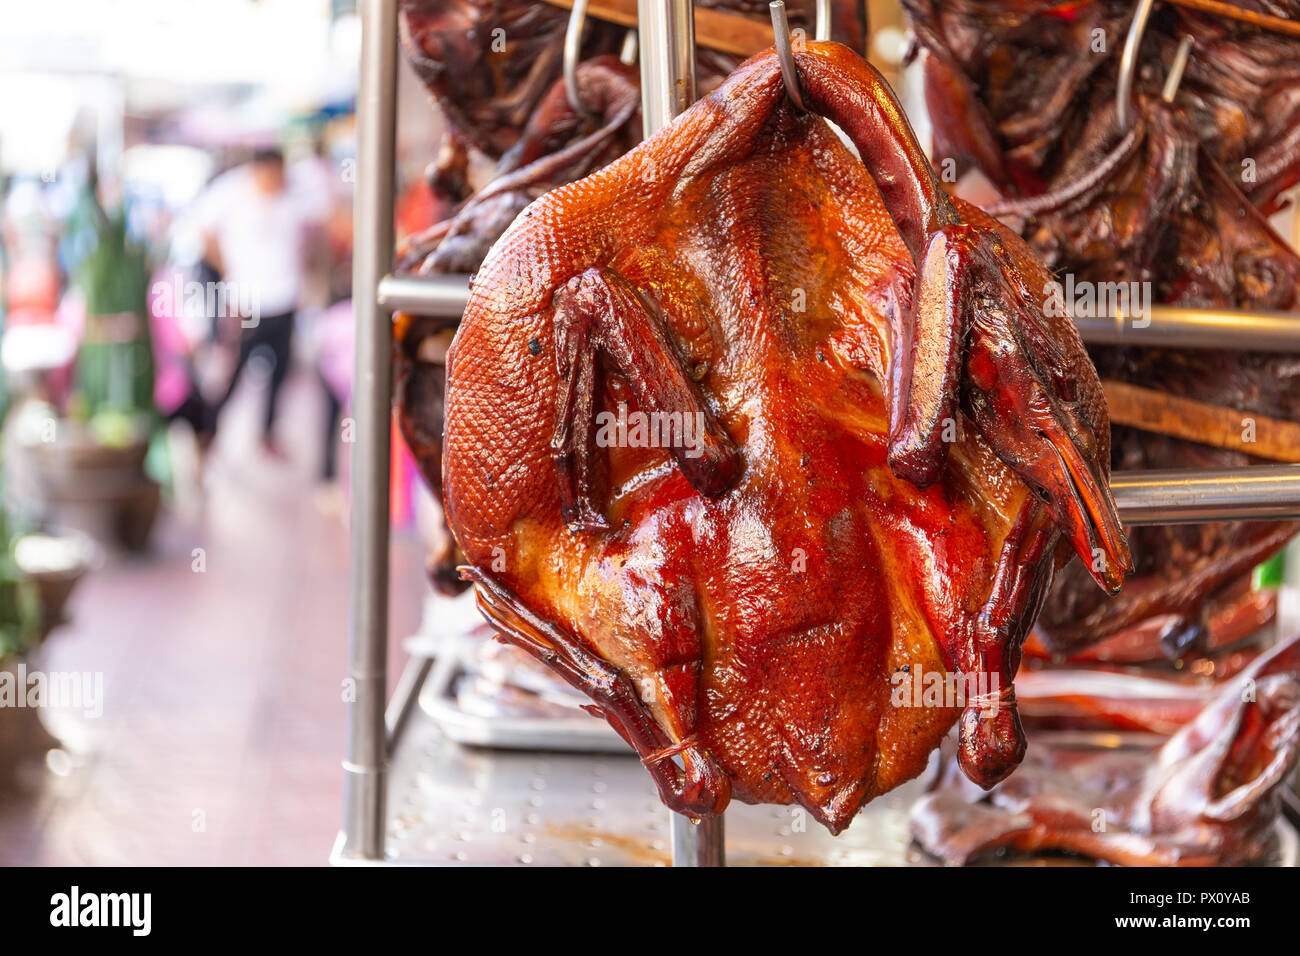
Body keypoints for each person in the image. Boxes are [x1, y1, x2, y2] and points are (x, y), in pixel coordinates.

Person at [194, 147, 319, 458]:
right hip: (246, 302)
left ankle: (267, 433)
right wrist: (226, 271)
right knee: (234, 372)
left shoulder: (294, 197)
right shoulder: (231, 193)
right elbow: (203, 232)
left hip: (285, 299)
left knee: (279, 372)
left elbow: (317, 229)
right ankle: (209, 429)